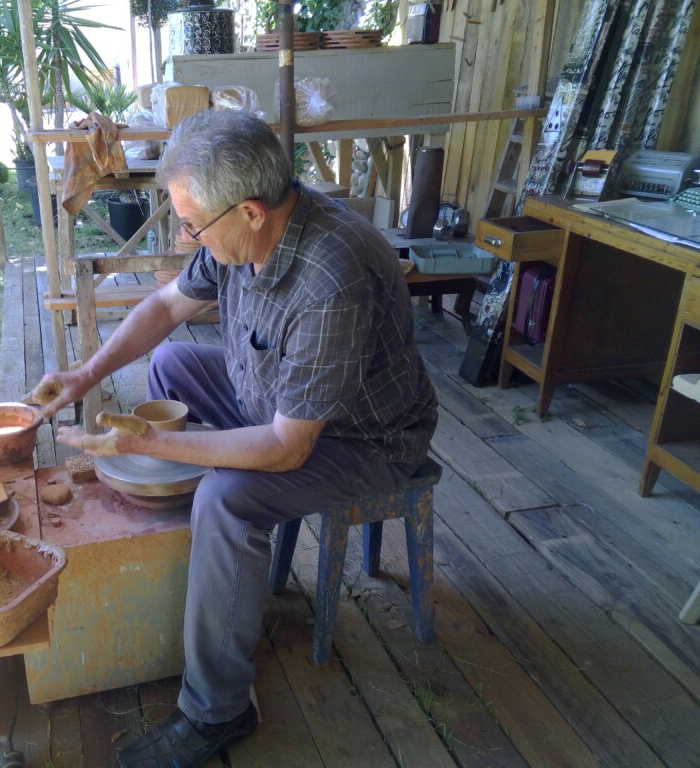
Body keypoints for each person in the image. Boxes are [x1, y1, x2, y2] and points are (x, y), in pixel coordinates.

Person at [33, 109, 438, 768]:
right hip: (281, 395)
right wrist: (85, 375)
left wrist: (148, 446)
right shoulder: (239, 233)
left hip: (366, 436)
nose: (188, 237)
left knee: (226, 498)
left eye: (192, 224)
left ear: (251, 213)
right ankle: (204, 565)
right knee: (169, 366)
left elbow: (286, 448)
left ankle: (217, 711)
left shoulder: (332, 276)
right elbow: (166, 309)